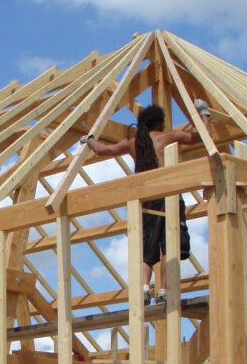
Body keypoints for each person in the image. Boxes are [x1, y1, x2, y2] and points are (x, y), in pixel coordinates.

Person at [82, 101, 211, 304]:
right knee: (170, 247)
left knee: (148, 249)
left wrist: (89, 140)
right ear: (158, 124)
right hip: (169, 197)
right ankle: (164, 292)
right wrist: (204, 114)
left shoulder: (132, 143)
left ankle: (143, 289)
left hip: (147, 201)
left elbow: (102, 150)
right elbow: (202, 138)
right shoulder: (167, 137)